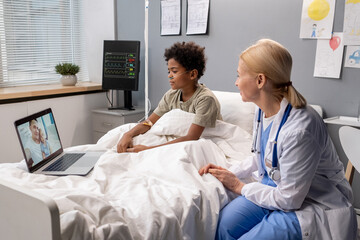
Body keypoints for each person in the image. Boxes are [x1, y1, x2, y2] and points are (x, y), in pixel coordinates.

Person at [198, 39, 357, 240]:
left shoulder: (300, 130)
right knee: (224, 227)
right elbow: (262, 157)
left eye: (239, 76)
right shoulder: (261, 110)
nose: (236, 82)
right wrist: (229, 172)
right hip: (274, 188)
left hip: (311, 202)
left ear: (260, 80)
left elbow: (290, 199)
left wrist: (240, 186)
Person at [117, 41, 222, 153]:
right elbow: (149, 122)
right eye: (169, 71)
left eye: (174, 71)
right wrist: (128, 134)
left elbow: (192, 137)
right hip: (175, 139)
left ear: (192, 74)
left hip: (198, 143)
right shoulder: (171, 95)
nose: (169, 75)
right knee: (120, 134)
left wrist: (148, 150)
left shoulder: (205, 99)